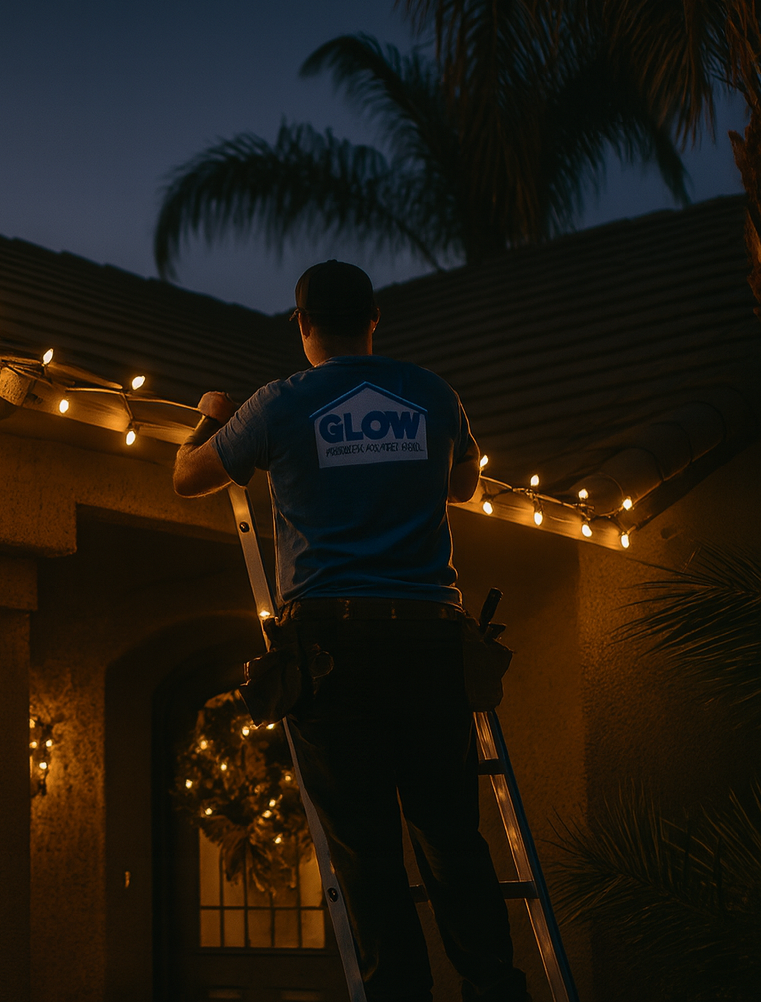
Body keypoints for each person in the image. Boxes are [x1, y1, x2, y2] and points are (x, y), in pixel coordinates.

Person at [173, 260, 530, 1002]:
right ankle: (497, 989)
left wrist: (209, 414)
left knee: (366, 857)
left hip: (332, 648)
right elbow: (464, 486)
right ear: (375, 317)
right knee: (453, 841)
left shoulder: (278, 405)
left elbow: (189, 477)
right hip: (431, 643)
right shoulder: (434, 395)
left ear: (302, 325)